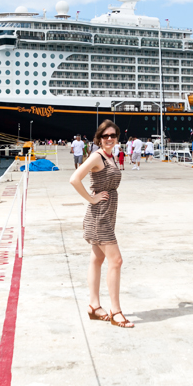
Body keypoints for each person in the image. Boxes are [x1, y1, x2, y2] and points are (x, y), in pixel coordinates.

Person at [69, 120, 134, 328]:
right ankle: (116, 312)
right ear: (99, 138)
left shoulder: (111, 156)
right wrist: (91, 198)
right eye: (105, 136)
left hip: (107, 215)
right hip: (99, 217)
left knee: (97, 260)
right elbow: (74, 178)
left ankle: (94, 306)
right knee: (116, 261)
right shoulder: (97, 156)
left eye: (113, 135)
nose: (109, 139)